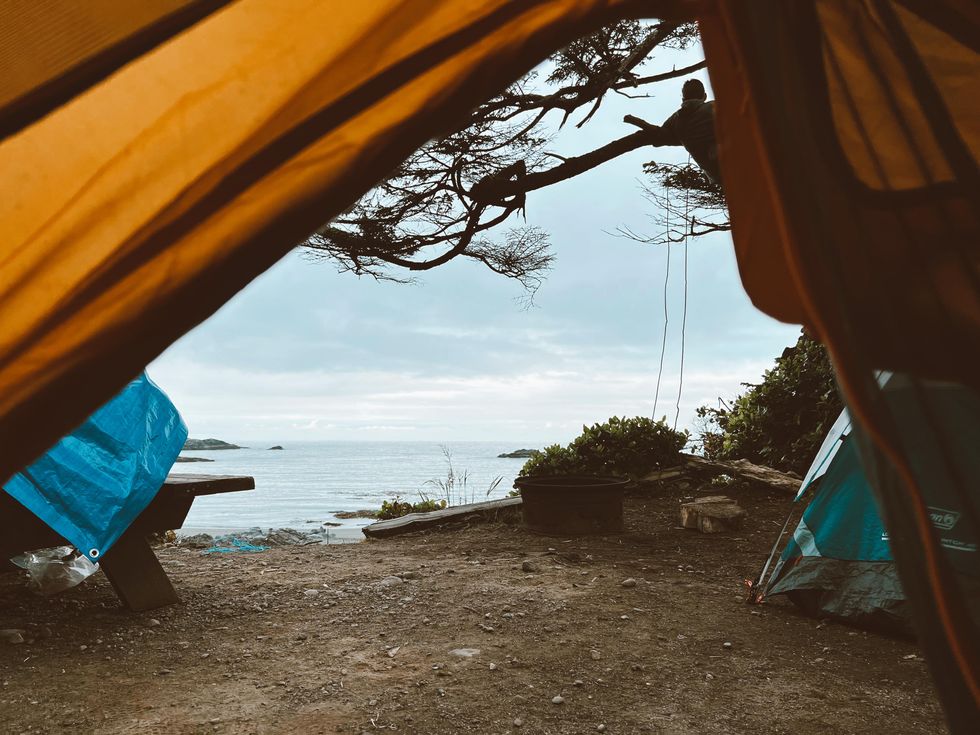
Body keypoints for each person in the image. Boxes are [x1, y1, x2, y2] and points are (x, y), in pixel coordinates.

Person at [624, 79, 721, 186]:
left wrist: (640, 123)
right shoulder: (714, 107)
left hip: (718, 176)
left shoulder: (676, 119)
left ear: (683, 99)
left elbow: (660, 136)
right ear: (705, 96)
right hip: (735, 160)